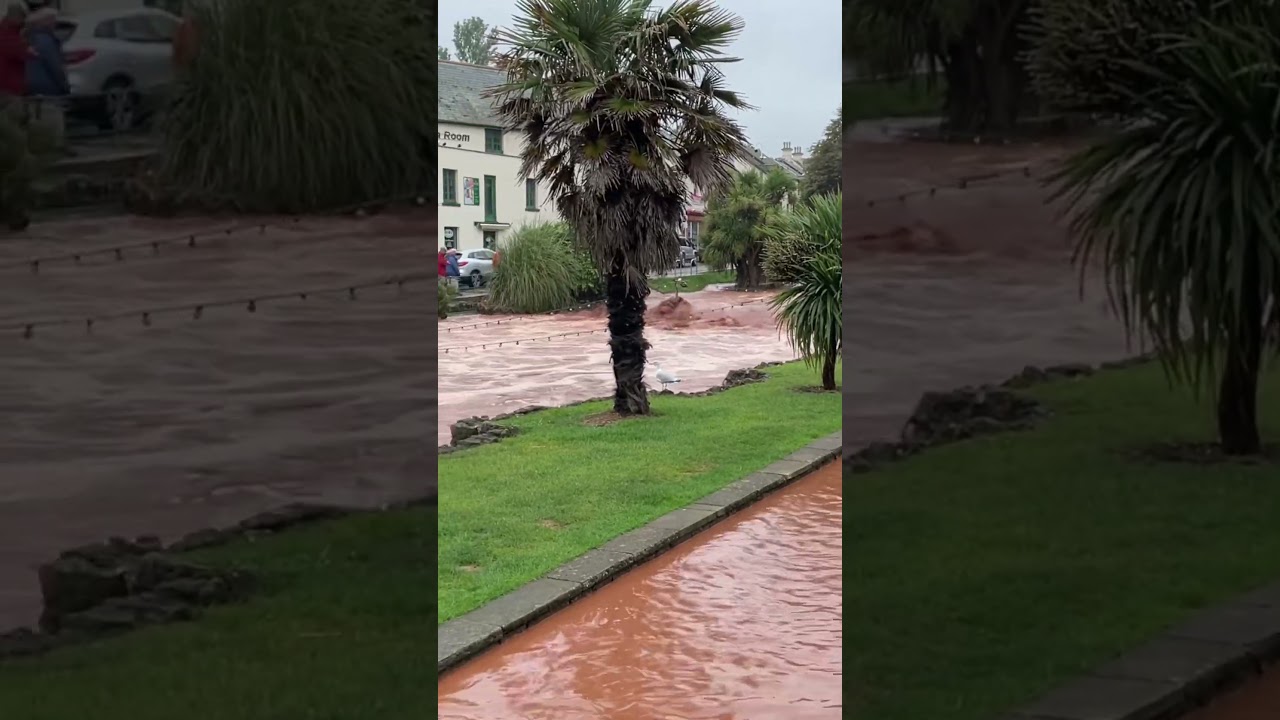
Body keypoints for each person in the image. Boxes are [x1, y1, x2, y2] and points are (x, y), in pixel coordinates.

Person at [22, 7, 68, 149]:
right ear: (45, 22)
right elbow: (54, 66)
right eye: (52, 19)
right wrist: (64, 85)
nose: (55, 23)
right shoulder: (47, 40)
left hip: (28, 87)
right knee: (52, 119)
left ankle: (37, 146)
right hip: (48, 87)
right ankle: (54, 148)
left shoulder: (26, 38)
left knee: (34, 119)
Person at [0, 3, 28, 114]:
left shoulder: (9, 32)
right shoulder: (9, 34)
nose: (23, 21)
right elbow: (20, 54)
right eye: (22, 17)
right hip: (9, 90)